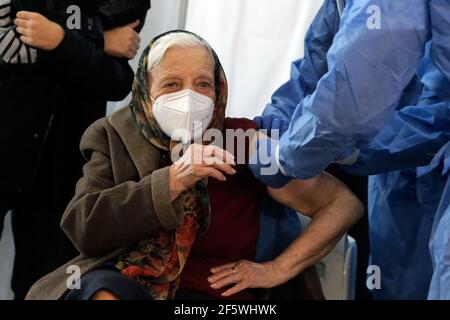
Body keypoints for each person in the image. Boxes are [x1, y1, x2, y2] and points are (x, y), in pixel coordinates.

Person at [25, 31, 363, 300]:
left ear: (218, 91)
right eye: (172, 84)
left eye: (203, 84)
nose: (189, 98)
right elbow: (85, 228)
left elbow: (342, 205)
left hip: (217, 294)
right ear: (146, 92)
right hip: (134, 279)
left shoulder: (242, 140)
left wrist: (275, 269)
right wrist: (173, 178)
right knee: (101, 292)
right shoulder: (114, 137)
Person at [254, 0, 450, 299]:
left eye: (203, 82)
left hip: (418, 152)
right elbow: (316, 64)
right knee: (394, 282)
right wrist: (273, 125)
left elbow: (357, 90)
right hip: (396, 175)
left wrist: (287, 157)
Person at [0, 0, 148, 298]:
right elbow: (6, 44)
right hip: (6, 143)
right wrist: (98, 38)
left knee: (42, 286)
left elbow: (119, 79)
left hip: (64, 170)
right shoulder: (98, 26)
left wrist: (60, 39)